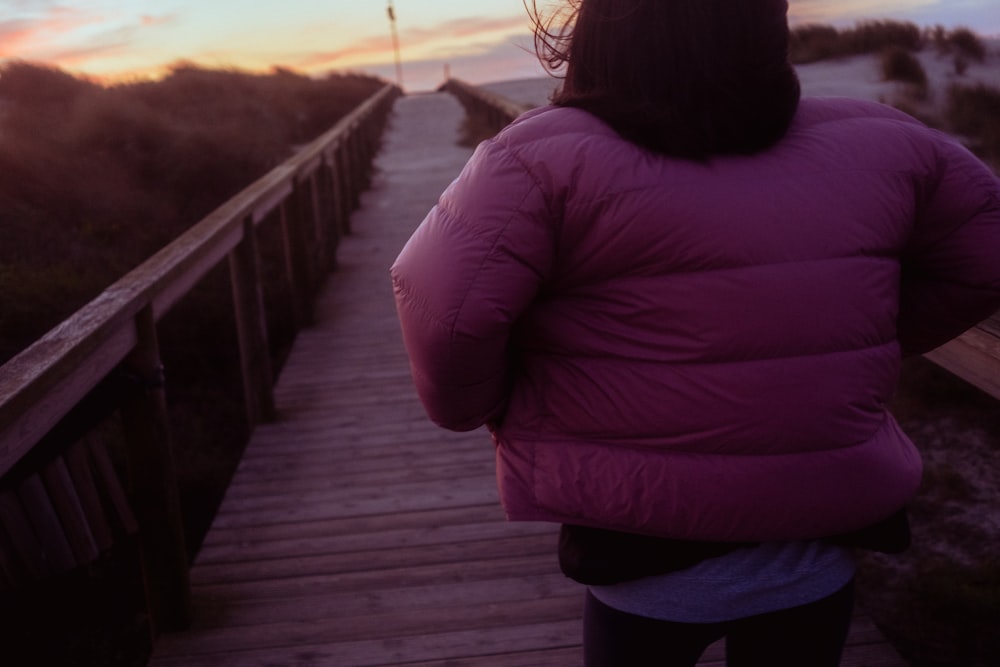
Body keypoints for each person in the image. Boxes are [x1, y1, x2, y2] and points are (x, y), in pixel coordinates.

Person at [390, 0, 1000, 664]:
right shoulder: (886, 140)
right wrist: (854, 341)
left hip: (641, 551)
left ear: (600, 42)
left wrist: (486, 403)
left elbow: (444, 312)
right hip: (814, 552)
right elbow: (985, 252)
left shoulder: (537, 158)